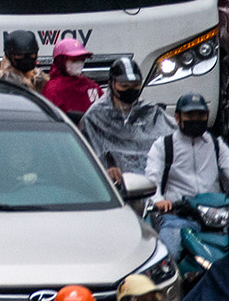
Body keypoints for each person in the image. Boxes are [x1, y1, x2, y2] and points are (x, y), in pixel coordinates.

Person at [146, 93, 229, 254]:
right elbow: (152, 180)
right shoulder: (163, 145)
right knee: (170, 252)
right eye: (190, 115)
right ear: (177, 117)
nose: (196, 119)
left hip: (217, 218)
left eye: (201, 115)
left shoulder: (217, 144)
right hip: (178, 217)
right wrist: (158, 201)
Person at [80, 56, 175, 180]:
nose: (130, 90)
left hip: (152, 178)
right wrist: (108, 165)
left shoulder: (150, 112)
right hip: (113, 182)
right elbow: (88, 156)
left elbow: (175, 137)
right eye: (124, 86)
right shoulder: (95, 116)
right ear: (111, 84)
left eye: (135, 85)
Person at [41, 37, 101, 117]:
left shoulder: (91, 86)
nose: (79, 64)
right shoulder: (52, 89)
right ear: (61, 61)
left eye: (82, 60)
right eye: (74, 60)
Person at [0, 28, 46, 94]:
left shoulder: (41, 79)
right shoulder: (2, 82)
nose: (26, 59)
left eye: (31, 55)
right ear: (9, 56)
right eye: (19, 55)